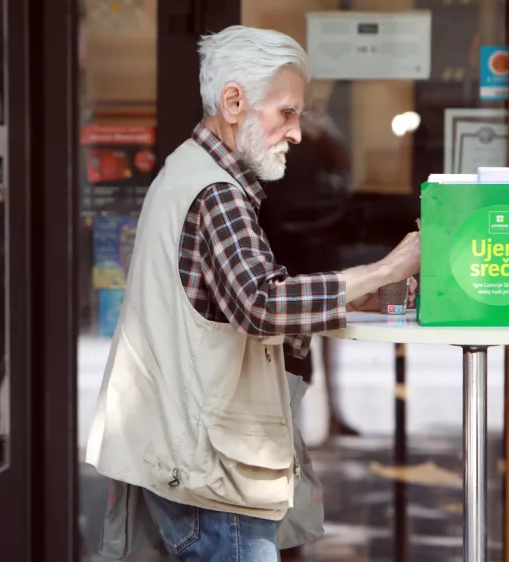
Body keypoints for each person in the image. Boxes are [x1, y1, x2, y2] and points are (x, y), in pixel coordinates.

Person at [85, 25, 420, 561]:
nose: (297, 133)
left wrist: (358, 299)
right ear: (234, 101)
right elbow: (260, 304)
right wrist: (387, 268)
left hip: (187, 457)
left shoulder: (188, 170)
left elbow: (225, 301)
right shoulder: (217, 192)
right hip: (211, 467)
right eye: (287, 113)